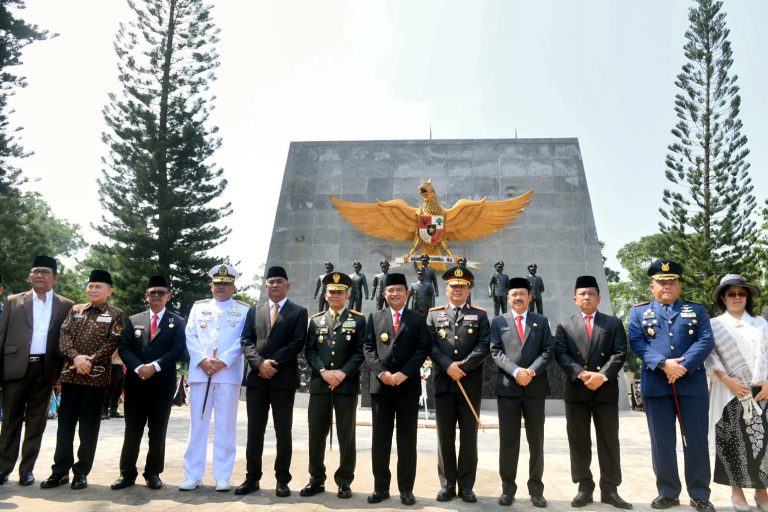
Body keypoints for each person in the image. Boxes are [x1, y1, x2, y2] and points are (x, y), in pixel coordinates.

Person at [628, 259, 715, 512]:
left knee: (696, 441)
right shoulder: (638, 312)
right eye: (662, 282)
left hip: (692, 385)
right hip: (657, 385)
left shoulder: (696, 310)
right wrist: (664, 364)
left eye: (672, 282)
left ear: (679, 285)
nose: (667, 286)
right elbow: (637, 343)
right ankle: (667, 492)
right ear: (651, 286)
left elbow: (706, 340)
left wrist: (682, 366)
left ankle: (699, 494)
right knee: (662, 442)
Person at [41, 269, 123, 490]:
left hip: (95, 381)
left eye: (98, 286)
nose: (93, 289)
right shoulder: (75, 310)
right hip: (71, 377)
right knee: (64, 427)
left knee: (88, 429)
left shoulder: (115, 314)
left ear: (109, 290)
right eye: (90, 285)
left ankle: (81, 473)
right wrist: (77, 358)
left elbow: (112, 343)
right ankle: (59, 472)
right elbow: (63, 335)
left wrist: (90, 362)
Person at [554, 275, 631, 509]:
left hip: (605, 391)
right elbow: (561, 354)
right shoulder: (564, 325)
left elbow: (619, 354)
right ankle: (584, 487)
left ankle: (610, 489)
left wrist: (602, 376)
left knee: (609, 441)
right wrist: (582, 374)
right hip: (577, 391)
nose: (586, 297)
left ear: (598, 297)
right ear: (575, 299)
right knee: (579, 442)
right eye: (582, 294)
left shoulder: (613, 323)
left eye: (591, 294)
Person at [0, 256, 73, 486]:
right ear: (30, 275)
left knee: (36, 423)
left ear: (55, 277)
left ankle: (27, 470)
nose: (39, 275)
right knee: (10, 420)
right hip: (14, 369)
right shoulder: (14, 301)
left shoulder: (66, 305)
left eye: (45, 271)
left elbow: (67, 340)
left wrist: (63, 373)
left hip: (46, 370)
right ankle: (3, 469)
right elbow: (1, 336)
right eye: (35, 271)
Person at [237, 266, 307, 497]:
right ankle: (252, 478)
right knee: (254, 431)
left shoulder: (298, 312)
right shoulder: (253, 311)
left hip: (282, 379)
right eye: (271, 281)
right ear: (266, 286)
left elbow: (297, 344)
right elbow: (246, 340)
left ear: (288, 286)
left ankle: (282, 479)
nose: (275, 285)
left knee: (282, 431)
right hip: (257, 379)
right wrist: (259, 364)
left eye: (279, 281)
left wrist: (272, 363)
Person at [111, 275, 186, 490]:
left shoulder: (177, 321)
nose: (156, 296)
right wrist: (138, 368)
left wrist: (154, 366)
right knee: (132, 430)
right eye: (152, 292)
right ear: (146, 296)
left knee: (157, 431)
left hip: (162, 385)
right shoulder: (134, 320)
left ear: (168, 296)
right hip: (136, 384)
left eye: (161, 293)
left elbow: (178, 351)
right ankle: (127, 474)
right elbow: (124, 348)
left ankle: (153, 473)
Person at [179, 264, 248, 492]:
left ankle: (222, 475)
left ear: (233, 287)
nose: (221, 288)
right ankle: (192, 474)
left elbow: (243, 340)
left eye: (226, 284)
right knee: (197, 425)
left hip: (227, 374)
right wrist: (202, 360)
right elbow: (190, 335)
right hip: (201, 373)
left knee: (226, 426)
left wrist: (223, 361)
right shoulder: (198, 308)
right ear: (212, 286)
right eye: (218, 284)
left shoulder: (243, 310)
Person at [364, 273, 428, 506]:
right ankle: (380, 488)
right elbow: (369, 348)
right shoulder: (375, 317)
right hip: (381, 387)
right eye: (390, 290)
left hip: (407, 388)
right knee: (380, 440)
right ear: (384, 294)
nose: (394, 294)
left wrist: (403, 374)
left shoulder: (418, 319)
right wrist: (382, 373)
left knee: (407, 440)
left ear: (407, 293)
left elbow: (422, 350)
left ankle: (406, 489)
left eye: (399, 290)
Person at [705, 274, 768, 512]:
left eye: (742, 293)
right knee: (732, 441)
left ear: (748, 297)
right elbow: (709, 357)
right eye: (731, 293)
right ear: (723, 297)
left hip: (761, 391)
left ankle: (762, 491)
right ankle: (736, 491)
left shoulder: (762, 323)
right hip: (729, 391)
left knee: (763, 443)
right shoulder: (714, 324)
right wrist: (727, 379)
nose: (737, 297)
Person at [427, 266, 490, 503]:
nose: (458, 290)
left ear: (469, 289)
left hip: (469, 383)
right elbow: (430, 345)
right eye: (454, 286)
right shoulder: (434, 314)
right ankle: (447, 484)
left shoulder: (480, 315)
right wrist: (447, 366)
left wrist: (462, 367)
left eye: (462, 287)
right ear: (446, 289)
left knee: (468, 436)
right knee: (444, 436)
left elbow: (484, 346)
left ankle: (466, 486)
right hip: (443, 383)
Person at [300, 272, 365, 499]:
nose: (335, 295)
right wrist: (324, 372)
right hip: (320, 385)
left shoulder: (358, 320)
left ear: (347, 295)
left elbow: (360, 353)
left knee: (346, 435)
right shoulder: (316, 320)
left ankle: (344, 481)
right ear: (326, 295)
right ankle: (316, 479)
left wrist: (342, 373)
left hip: (346, 387)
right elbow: (310, 351)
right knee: (316, 434)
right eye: (332, 291)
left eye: (340, 292)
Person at [490, 277, 552, 508]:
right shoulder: (498, 322)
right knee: (508, 442)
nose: (518, 298)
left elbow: (547, 351)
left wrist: (531, 372)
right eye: (514, 294)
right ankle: (508, 489)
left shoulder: (541, 321)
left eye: (522, 294)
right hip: (508, 390)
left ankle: (536, 489)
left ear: (530, 297)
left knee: (536, 441)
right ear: (508, 298)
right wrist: (516, 372)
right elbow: (495, 352)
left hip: (534, 390)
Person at [101, 349, 125, 420]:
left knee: (118, 389)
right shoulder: (116, 340)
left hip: (121, 366)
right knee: (110, 389)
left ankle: (113, 410)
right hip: (113, 366)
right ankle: (104, 411)